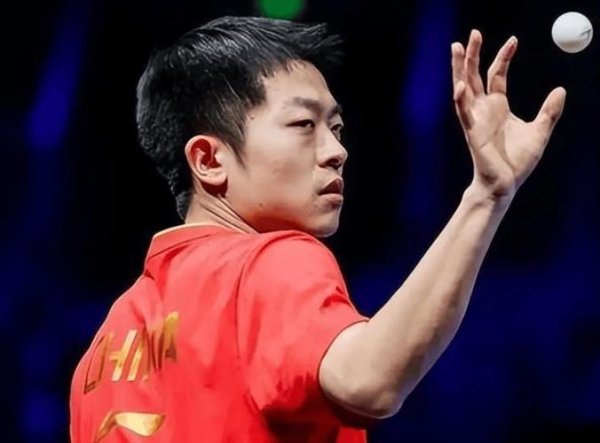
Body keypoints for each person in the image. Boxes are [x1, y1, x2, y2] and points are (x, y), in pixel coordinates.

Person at [69, 15, 566, 443]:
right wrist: (486, 196)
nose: (336, 151)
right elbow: (369, 381)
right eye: (304, 125)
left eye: (337, 128)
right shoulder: (271, 263)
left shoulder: (101, 352)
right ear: (209, 159)